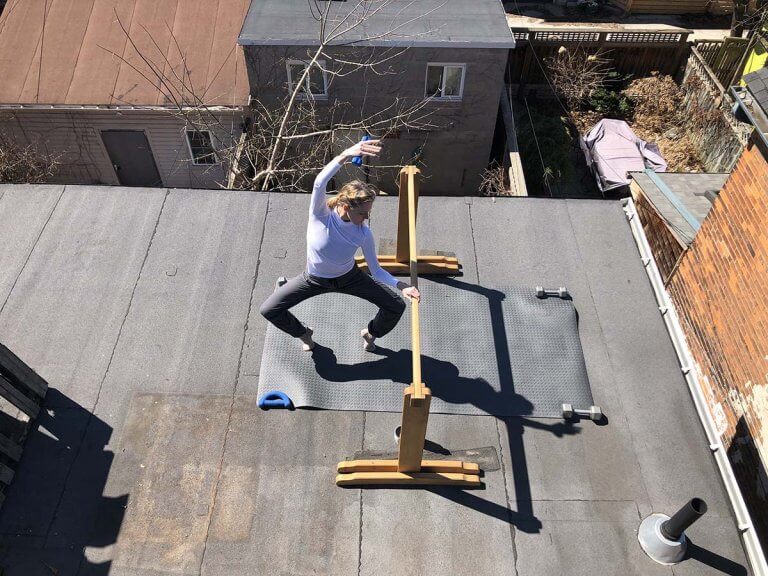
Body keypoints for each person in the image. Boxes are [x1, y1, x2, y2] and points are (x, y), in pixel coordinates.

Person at [260, 138, 421, 352]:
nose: (366, 218)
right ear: (345, 206)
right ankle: (304, 334)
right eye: (362, 213)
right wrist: (345, 154)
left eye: (368, 213)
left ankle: (370, 333)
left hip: (350, 278)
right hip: (313, 279)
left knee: (396, 306)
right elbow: (319, 182)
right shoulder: (320, 215)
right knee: (269, 310)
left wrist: (403, 287)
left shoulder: (364, 233)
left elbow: (376, 271)